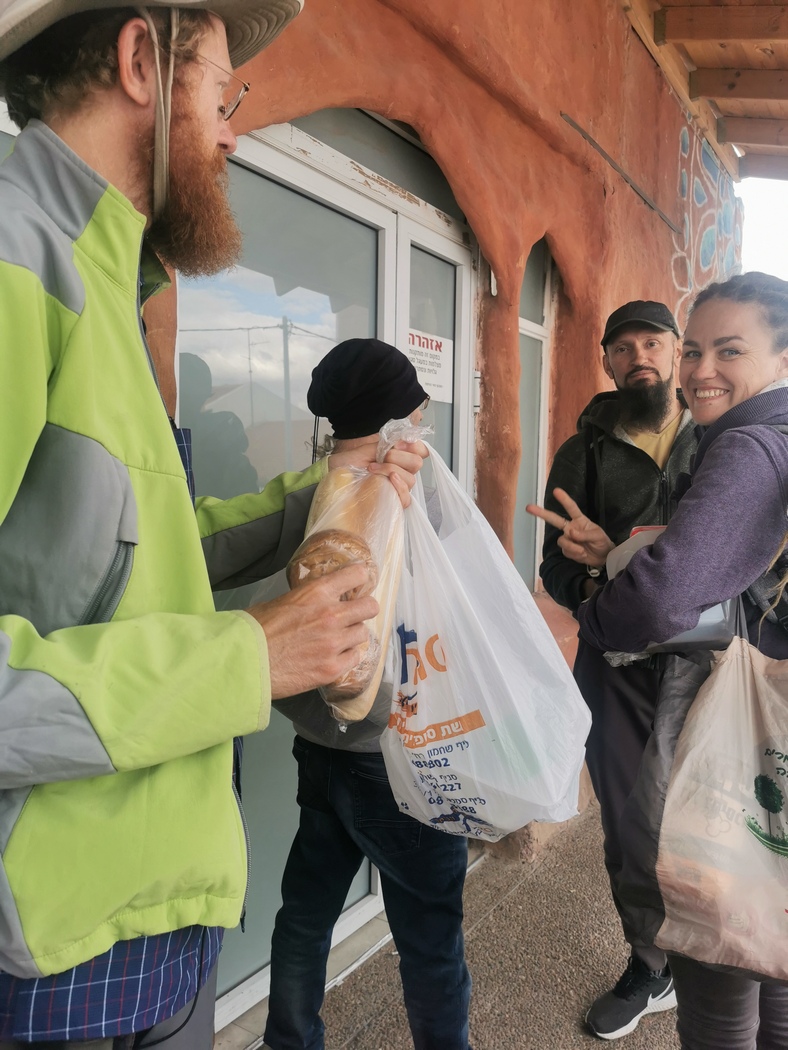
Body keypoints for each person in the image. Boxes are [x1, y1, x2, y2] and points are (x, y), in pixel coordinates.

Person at [0, 6, 426, 1048]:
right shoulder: (16, 264)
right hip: (50, 944)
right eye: (222, 94)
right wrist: (246, 655)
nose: (234, 133)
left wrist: (330, 490)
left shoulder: (101, 273)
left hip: (142, 909)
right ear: (142, 62)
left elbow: (131, 552)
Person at [573, 272, 788, 1049]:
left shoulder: (752, 444)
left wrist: (597, 619)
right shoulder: (600, 441)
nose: (700, 369)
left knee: (719, 969)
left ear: (783, 355)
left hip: (732, 736)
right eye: (694, 349)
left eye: (729, 350)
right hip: (762, 727)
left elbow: (665, 598)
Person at [264, 338, 472, 1050]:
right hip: (395, 751)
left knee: (305, 913)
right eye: (417, 407)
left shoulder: (307, 493)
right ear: (399, 416)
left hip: (319, 747)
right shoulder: (406, 497)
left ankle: (291, 1040)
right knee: (431, 935)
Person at [527, 301, 698, 1040]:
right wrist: (595, 588)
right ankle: (650, 966)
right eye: (622, 347)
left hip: (714, 663)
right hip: (620, 664)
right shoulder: (586, 451)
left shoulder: (722, 436)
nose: (639, 358)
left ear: (676, 349)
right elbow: (552, 565)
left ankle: (715, 953)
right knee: (632, 825)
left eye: (651, 342)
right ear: (607, 361)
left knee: (719, 812)